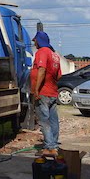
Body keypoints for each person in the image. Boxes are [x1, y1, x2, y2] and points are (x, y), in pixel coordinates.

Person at [30, 27, 62, 155]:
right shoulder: (55, 55)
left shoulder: (42, 52)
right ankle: (54, 144)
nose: (34, 43)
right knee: (53, 120)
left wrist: (36, 89)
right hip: (53, 92)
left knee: (44, 120)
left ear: (39, 41)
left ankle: (50, 147)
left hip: (43, 92)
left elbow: (42, 70)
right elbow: (59, 76)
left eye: (35, 41)